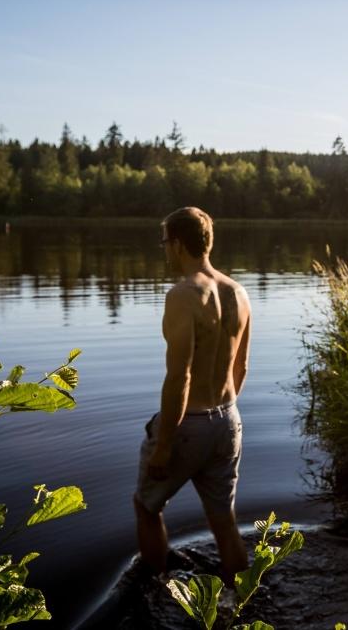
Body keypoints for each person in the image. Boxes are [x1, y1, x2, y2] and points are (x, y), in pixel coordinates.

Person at [134, 207, 251, 580]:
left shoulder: (184, 295)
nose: (165, 250)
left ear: (179, 244)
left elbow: (179, 376)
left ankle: (154, 590)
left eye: (165, 243)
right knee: (224, 522)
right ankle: (241, 602)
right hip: (228, 420)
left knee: (147, 508)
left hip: (188, 425)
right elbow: (241, 368)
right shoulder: (239, 293)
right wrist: (220, 417)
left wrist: (165, 443)